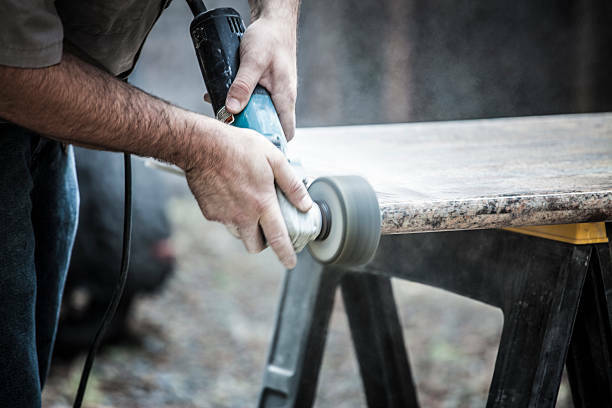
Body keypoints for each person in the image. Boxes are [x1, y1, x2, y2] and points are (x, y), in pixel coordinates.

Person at [0, 0, 308, 405]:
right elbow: (13, 74)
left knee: (26, 368)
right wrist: (204, 150)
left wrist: (277, 18)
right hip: (22, 89)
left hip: (47, 118)